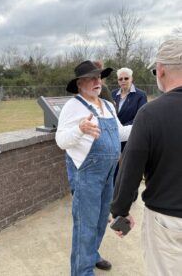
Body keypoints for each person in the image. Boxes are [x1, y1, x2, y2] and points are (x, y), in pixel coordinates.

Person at [110, 38, 182, 276]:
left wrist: (120, 210)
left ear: (161, 70)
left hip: (168, 221)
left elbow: (131, 168)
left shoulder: (150, 114)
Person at [55, 60, 131, 276]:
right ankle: (82, 271)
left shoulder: (107, 105)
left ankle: (91, 254)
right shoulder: (73, 106)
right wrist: (80, 129)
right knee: (85, 226)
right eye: (91, 78)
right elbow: (60, 140)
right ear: (79, 83)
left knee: (99, 222)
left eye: (99, 77)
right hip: (86, 175)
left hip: (108, 175)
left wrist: (142, 124)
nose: (97, 81)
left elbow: (120, 133)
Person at [111, 68, 147, 189]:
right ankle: (115, 190)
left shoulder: (140, 95)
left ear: (132, 79)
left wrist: (122, 129)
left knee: (130, 166)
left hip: (131, 135)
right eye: (120, 79)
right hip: (115, 136)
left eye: (126, 78)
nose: (123, 81)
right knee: (114, 166)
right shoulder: (113, 94)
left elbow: (140, 116)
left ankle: (132, 192)